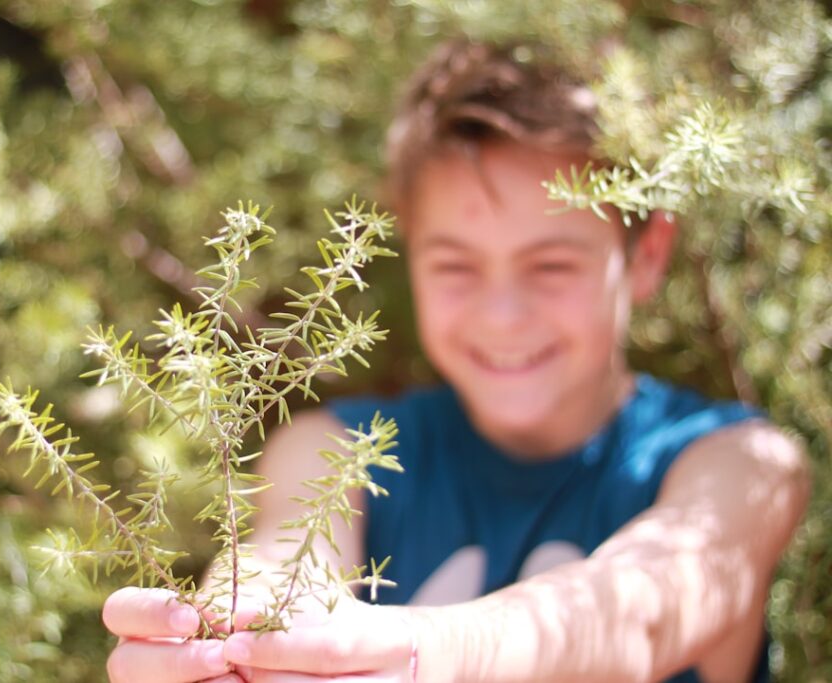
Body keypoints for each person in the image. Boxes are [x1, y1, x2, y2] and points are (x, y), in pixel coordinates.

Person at [100, 41, 811, 683]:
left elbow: (649, 608)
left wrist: (425, 652)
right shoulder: (336, 448)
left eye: (552, 265)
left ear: (646, 255)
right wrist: (234, 641)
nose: (502, 315)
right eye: (456, 265)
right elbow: (283, 561)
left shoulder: (741, 463)